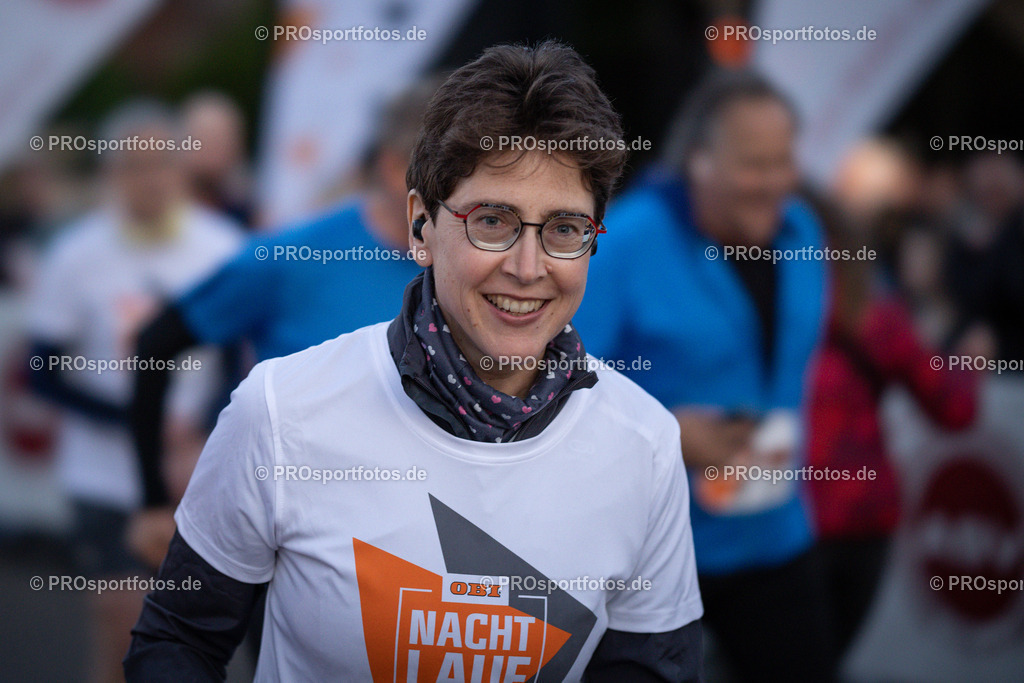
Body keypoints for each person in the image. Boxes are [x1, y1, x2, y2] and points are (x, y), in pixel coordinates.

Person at [124, 42, 704, 682]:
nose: (528, 267)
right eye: (493, 221)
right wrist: (152, 496)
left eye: (564, 229)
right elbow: (177, 638)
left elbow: (653, 671)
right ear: (421, 226)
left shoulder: (644, 444)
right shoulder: (281, 408)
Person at [573, 70, 835, 680]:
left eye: (783, 161)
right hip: (645, 555)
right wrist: (664, 432)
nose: (773, 183)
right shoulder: (627, 242)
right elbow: (555, 377)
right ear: (698, 161)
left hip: (774, 536)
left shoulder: (802, 233)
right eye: (752, 164)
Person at [125, 81, 433, 568]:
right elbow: (156, 341)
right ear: (395, 169)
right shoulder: (294, 255)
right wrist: (153, 498)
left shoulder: (474, 268)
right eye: (457, 173)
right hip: (294, 544)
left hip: (423, 544)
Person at [26, 101, 242, 683]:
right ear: (111, 174)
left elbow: (236, 357)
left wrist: (198, 425)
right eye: (134, 166)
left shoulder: (219, 245)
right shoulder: (76, 254)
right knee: (122, 632)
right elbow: (40, 368)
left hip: (194, 471)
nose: (150, 180)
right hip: (103, 476)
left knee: (190, 644)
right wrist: (133, 419)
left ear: (182, 170)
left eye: (162, 164)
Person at [808, 139, 979, 655]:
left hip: (784, 527)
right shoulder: (877, 314)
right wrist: (968, 359)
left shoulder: (747, 310)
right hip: (860, 522)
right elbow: (955, 407)